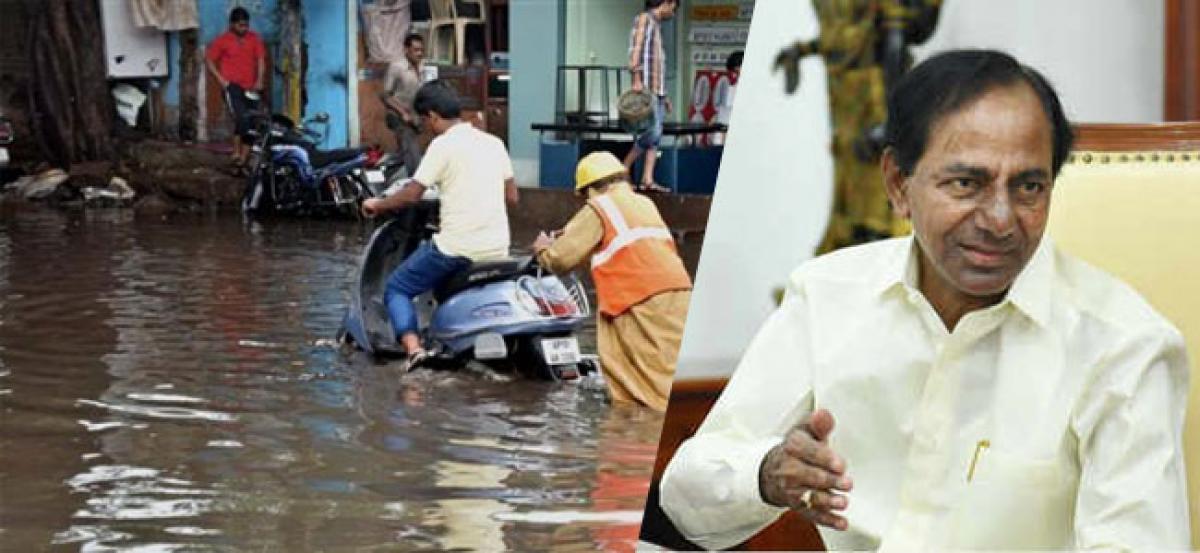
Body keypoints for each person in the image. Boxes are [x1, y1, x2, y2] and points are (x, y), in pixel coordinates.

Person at [658, 49, 1191, 550]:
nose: (1000, 219)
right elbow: (686, 498)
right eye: (967, 183)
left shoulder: (1125, 345)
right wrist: (766, 474)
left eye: (1029, 187)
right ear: (897, 183)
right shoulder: (828, 295)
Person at [361, 82, 520, 371]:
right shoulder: (493, 143)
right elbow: (512, 196)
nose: (426, 127)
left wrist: (377, 205)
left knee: (397, 287)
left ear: (432, 117)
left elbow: (411, 194)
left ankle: (413, 350)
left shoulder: (443, 145)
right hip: (497, 247)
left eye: (424, 121)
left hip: (457, 248)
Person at [531, 152, 692, 411]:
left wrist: (542, 250)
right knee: (671, 367)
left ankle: (644, 437)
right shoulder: (643, 203)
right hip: (678, 289)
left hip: (637, 298)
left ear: (590, 190)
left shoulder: (599, 206)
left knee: (647, 380)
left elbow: (560, 258)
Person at [625, 0, 678, 194]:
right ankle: (624, 167)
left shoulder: (655, 25)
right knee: (652, 133)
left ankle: (648, 178)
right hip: (646, 88)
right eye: (673, 7)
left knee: (656, 137)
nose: (673, 13)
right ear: (666, 3)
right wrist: (636, 79)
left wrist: (665, 95)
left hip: (657, 90)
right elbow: (635, 52)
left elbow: (656, 63)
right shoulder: (644, 20)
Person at [205, 7, 266, 170]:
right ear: (232, 24)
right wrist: (221, 80)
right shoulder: (222, 40)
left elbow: (260, 60)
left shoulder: (254, 39)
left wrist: (259, 80)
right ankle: (236, 152)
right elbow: (209, 60)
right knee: (242, 118)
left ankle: (242, 157)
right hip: (232, 87)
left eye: (246, 25)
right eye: (240, 26)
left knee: (251, 122)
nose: (244, 29)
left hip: (251, 87)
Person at [380, 33, 426, 175]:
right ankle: (416, 181)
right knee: (410, 147)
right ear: (406, 50)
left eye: (421, 50)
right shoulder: (397, 67)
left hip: (414, 117)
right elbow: (384, 96)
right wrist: (403, 113)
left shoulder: (423, 66)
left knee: (404, 151)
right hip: (396, 115)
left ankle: (384, 171)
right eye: (415, 50)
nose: (419, 53)